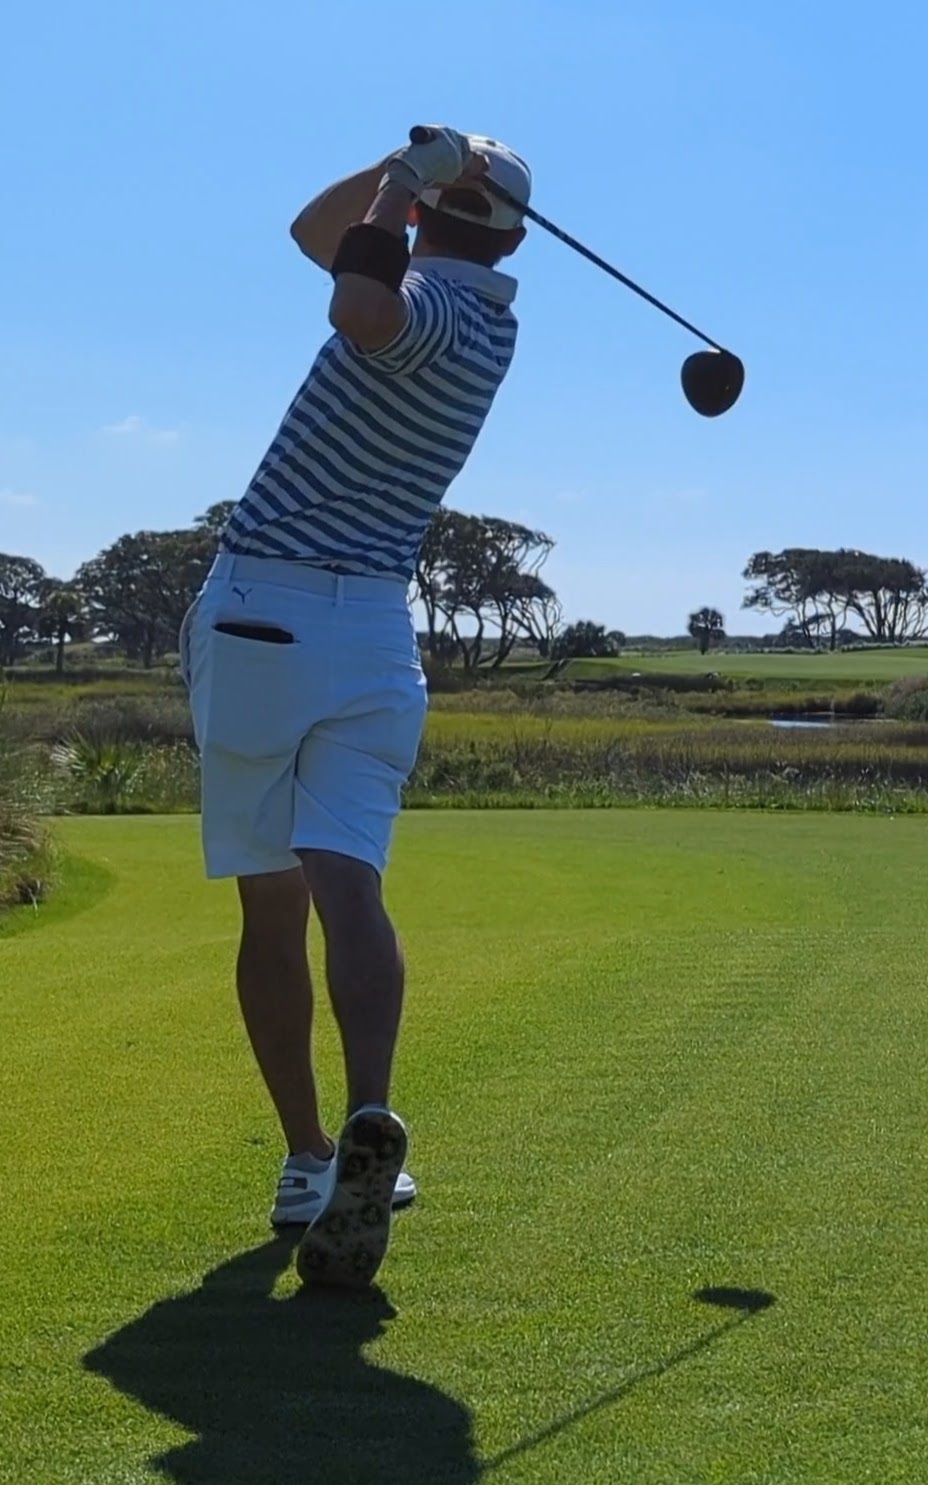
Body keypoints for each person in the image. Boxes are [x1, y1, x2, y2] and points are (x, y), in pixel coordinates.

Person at [178, 124, 531, 1288]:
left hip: (263, 616)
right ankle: (374, 1118)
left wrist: (405, 174)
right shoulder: (490, 317)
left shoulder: (420, 300)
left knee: (272, 908)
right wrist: (406, 165)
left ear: (435, 219)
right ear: (514, 234)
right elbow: (319, 241)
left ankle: (307, 1155)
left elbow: (361, 307)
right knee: (351, 887)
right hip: (378, 633)